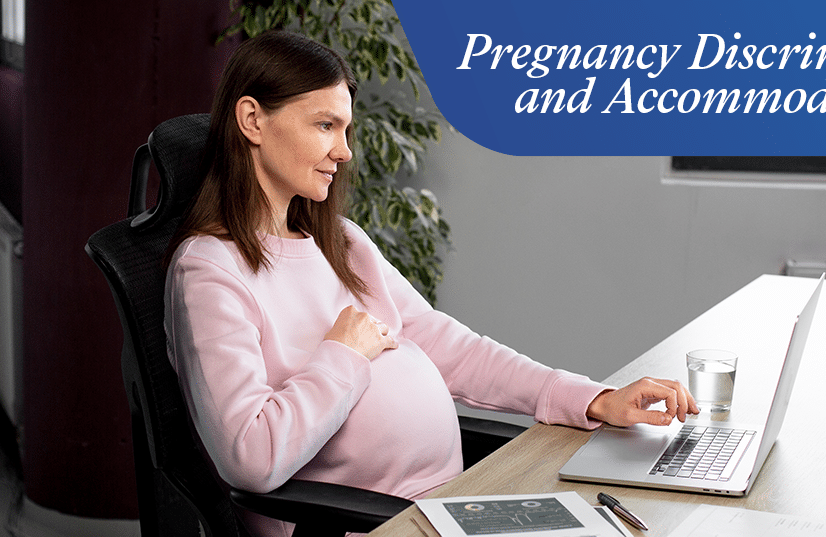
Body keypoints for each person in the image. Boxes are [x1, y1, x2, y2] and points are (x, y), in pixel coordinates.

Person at [164, 30, 699, 537]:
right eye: (324, 126)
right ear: (253, 120)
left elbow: (451, 347)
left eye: (346, 130)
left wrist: (593, 399)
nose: (344, 151)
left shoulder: (340, 241)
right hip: (364, 523)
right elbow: (250, 457)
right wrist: (344, 353)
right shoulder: (210, 271)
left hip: (448, 506)